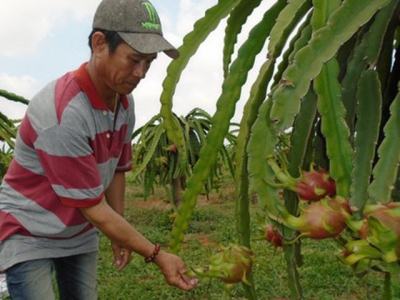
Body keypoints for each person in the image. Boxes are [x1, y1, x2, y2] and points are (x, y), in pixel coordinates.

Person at [0, 0, 199, 299]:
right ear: (99, 43)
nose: (141, 72)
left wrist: (118, 232)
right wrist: (157, 254)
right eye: (134, 59)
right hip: (29, 232)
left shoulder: (124, 104)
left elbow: (117, 169)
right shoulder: (64, 114)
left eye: (149, 62)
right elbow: (93, 207)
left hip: (79, 233)